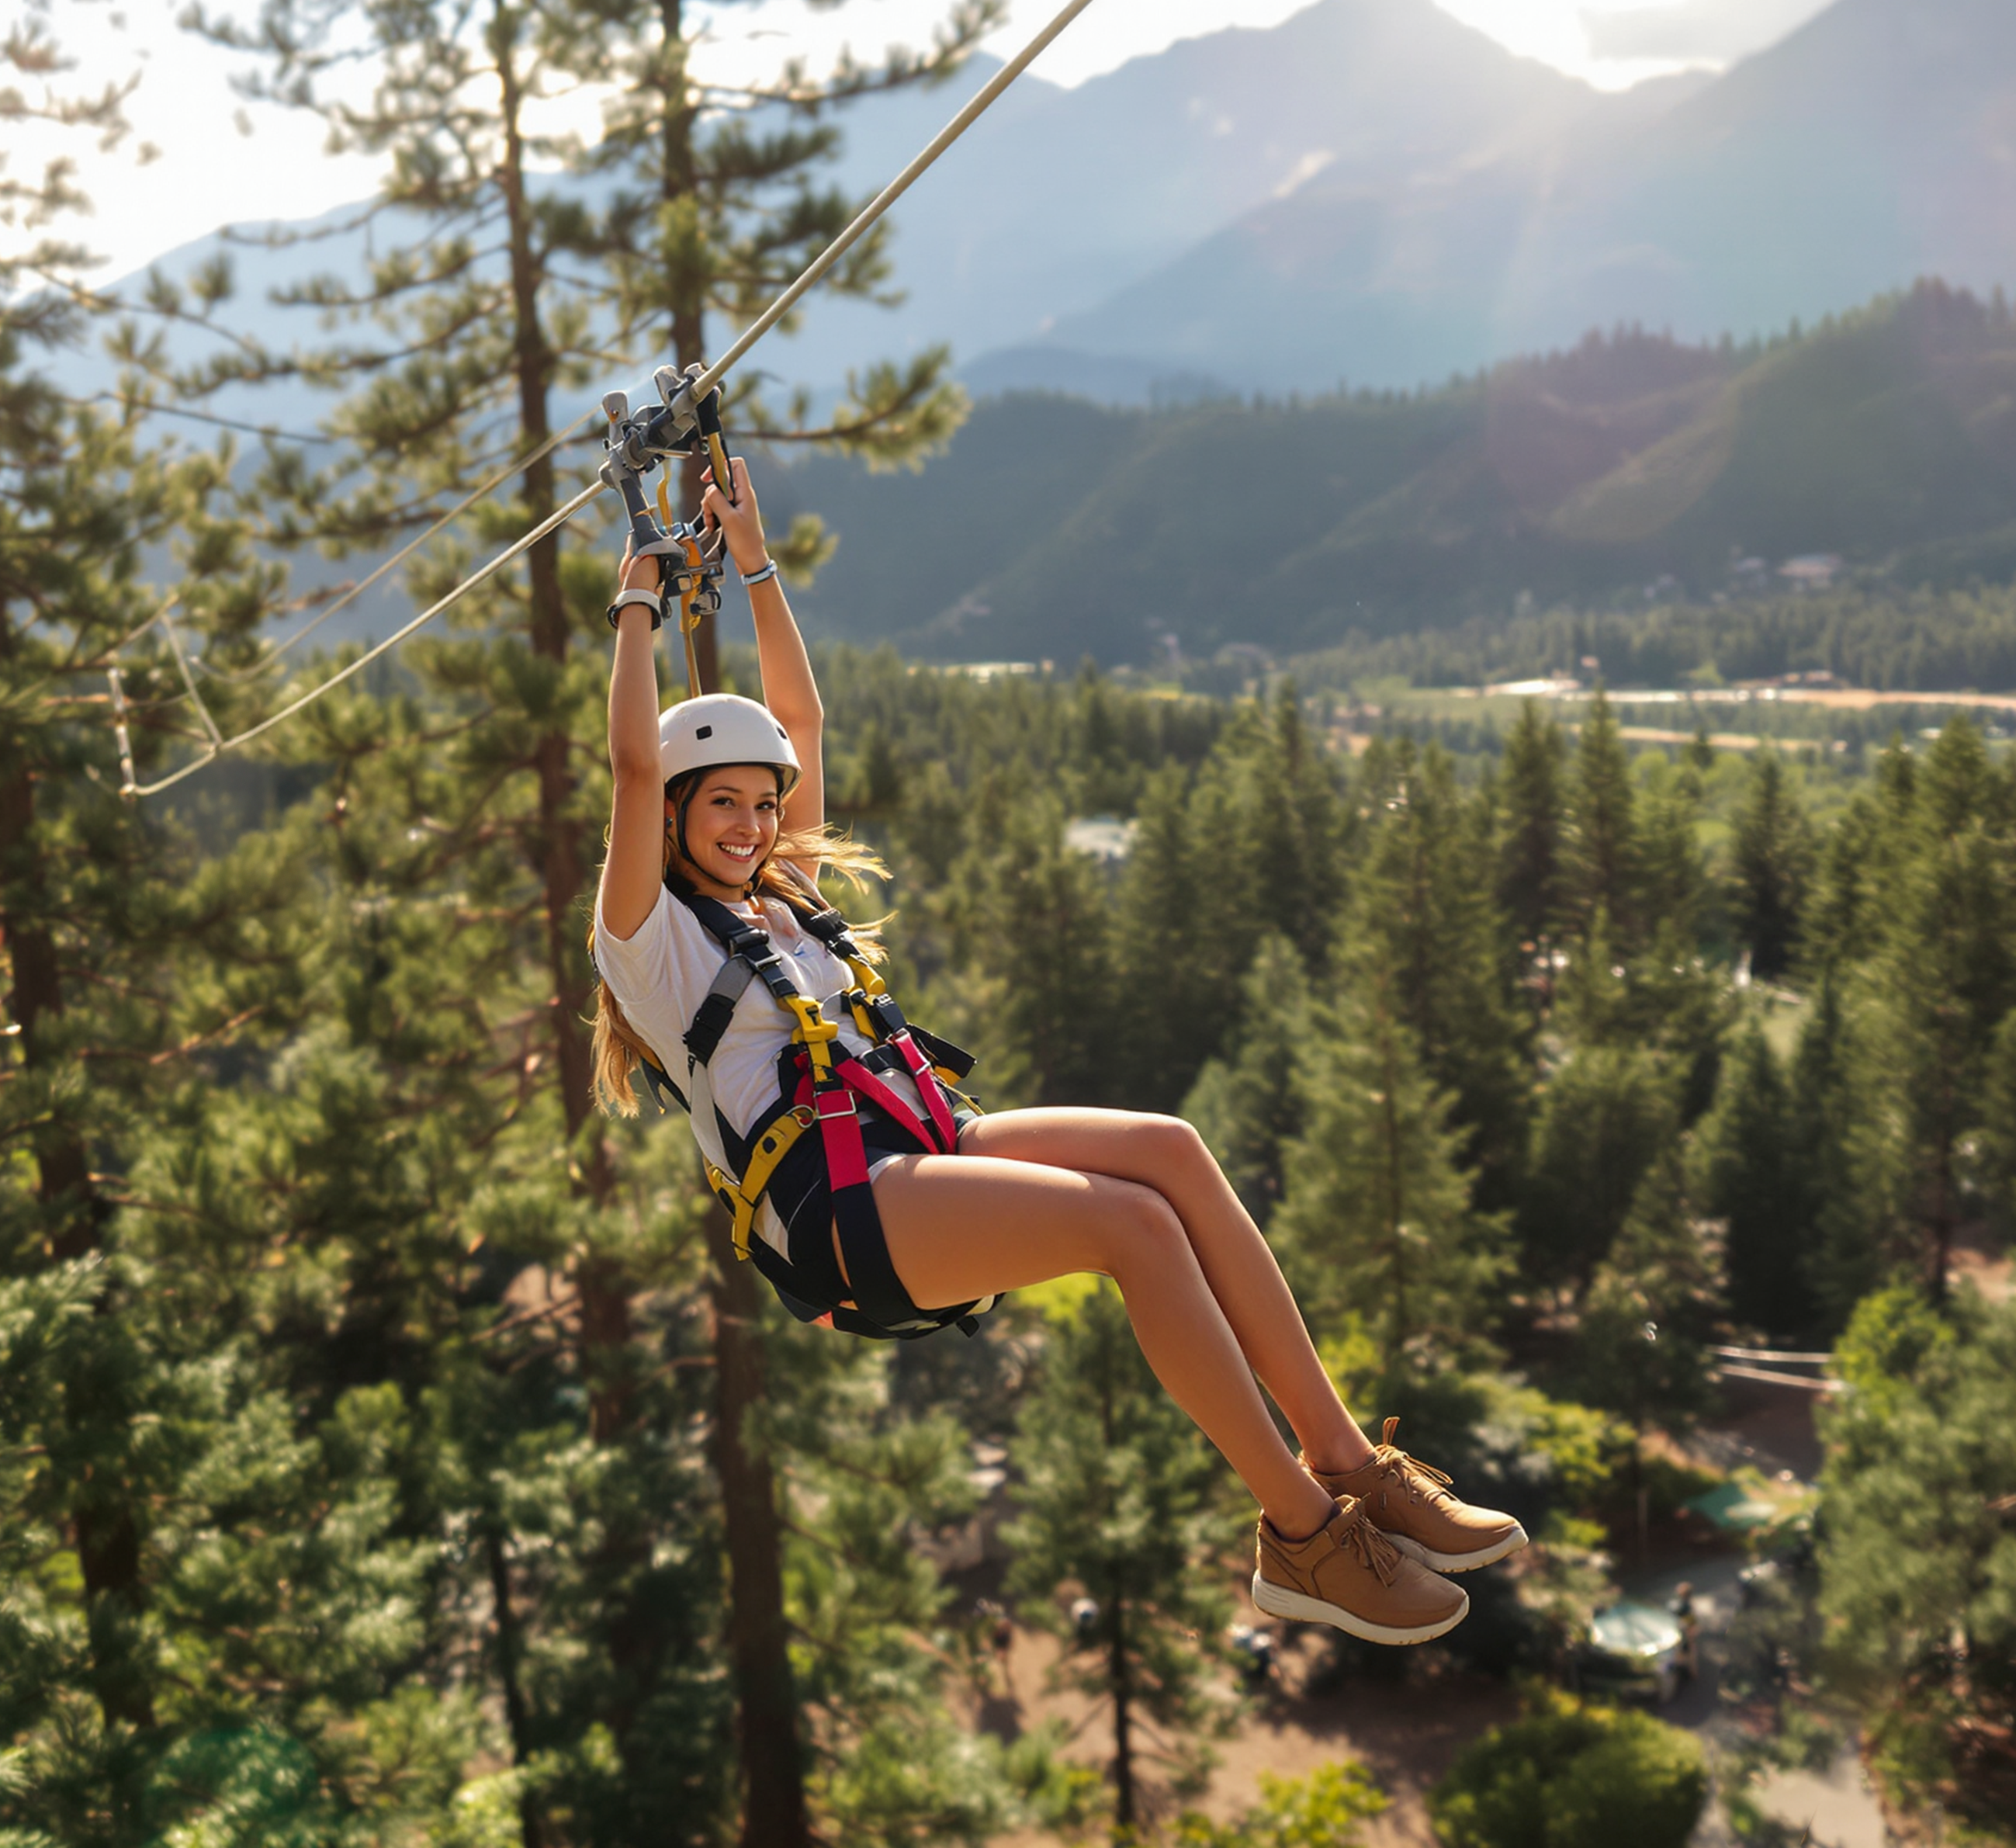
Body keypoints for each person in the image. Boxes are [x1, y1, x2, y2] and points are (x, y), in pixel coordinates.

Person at [589, 456, 1526, 1646]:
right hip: (837, 1218)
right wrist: (634, 606)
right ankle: (1298, 1537)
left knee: (1170, 1154)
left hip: (914, 1152)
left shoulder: (782, 898)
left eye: (762, 804)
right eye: (720, 803)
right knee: (1125, 1227)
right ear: (670, 814)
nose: (754, 824)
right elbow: (625, 765)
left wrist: (756, 562)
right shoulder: (650, 948)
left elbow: (804, 720)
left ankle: (1347, 1461)